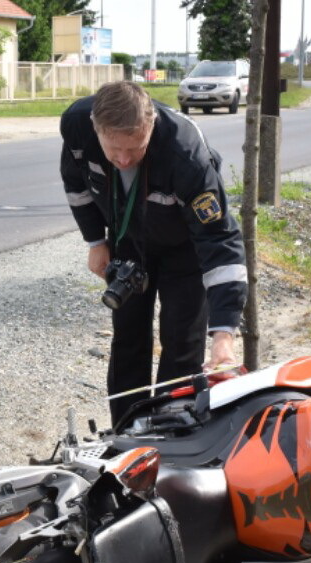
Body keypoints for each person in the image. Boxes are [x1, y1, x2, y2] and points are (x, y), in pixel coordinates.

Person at [60, 80, 247, 425]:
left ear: (151, 127)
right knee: (128, 338)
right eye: (113, 149)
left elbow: (220, 243)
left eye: (136, 148)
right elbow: (76, 187)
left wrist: (224, 337)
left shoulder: (186, 154)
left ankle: (171, 432)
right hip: (128, 240)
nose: (124, 159)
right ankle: (127, 432)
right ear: (95, 128)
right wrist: (95, 242)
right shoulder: (76, 126)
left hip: (185, 249)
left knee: (181, 344)